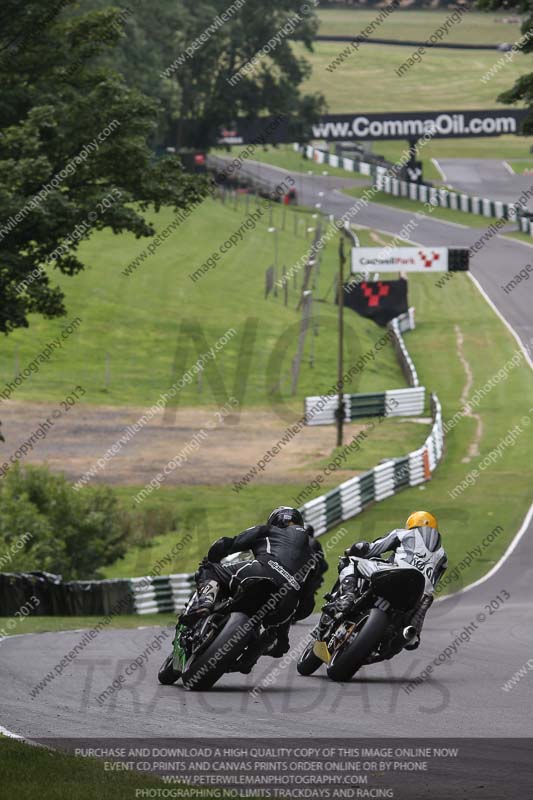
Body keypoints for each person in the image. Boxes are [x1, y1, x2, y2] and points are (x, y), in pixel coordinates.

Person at [184, 506, 317, 656]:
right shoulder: (313, 557)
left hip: (260, 570)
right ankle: (253, 654)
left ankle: (205, 602)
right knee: (280, 635)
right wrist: (292, 617)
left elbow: (229, 544)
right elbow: (308, 604)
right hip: (287, 598)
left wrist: (213, 558)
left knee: (209, 569)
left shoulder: (267, 530)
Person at [332, 511, 448, 650]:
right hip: (417, 595)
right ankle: (413, 633)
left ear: (411, 525)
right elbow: (433, 583)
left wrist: (356, 548)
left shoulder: (403, 534)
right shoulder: (443, 557)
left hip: (394, 576)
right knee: (427, 597)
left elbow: (371, 549)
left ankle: (347, 596)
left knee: (351, 562)